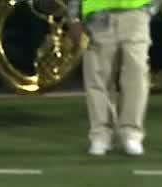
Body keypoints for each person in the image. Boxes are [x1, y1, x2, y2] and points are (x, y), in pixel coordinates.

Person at [66, 0, 156, 156]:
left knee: (136, 75)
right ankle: (101, 134)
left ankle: (131, 133)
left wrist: (150, 9)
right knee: (97, 77)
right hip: (96, 17)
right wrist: (73, 18)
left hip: (135, 13)